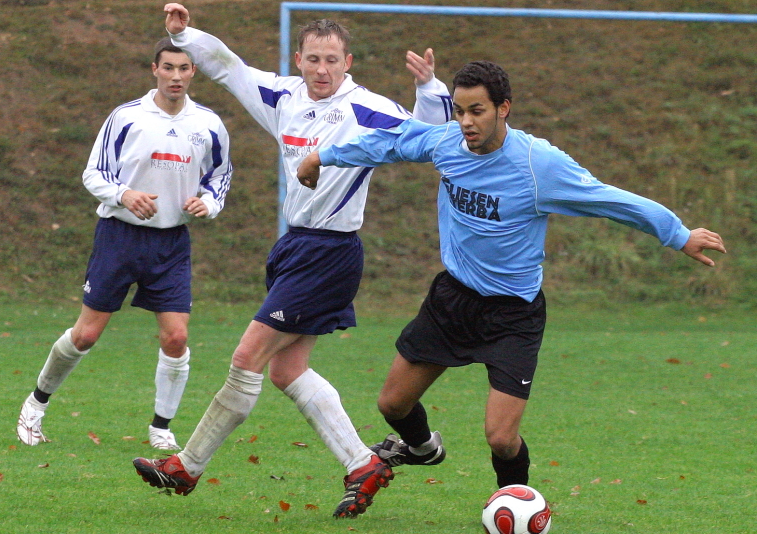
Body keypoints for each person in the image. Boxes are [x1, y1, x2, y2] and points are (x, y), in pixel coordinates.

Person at [297, 59, 726, 491]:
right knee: (392, 404)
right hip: (452, 300)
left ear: (504, 108)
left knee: (501, 439)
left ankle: (515, 501)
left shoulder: (539, 165)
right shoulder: (445, 142)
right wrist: (321, 156)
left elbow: (608, 199)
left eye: (477, 111)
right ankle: (423, 449)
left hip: (512, 314)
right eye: (460, 111)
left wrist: (678, 234)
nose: (466, 122)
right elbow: (389, 143)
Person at [132, 3, 452, 519]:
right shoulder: (283, 96)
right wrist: (185, 35)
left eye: (332, 60)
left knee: (246, 358)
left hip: (330, 253)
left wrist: (429, 90)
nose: (322, 70)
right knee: (287, 369)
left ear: (348, 62)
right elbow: (228, 67)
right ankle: (362, 464)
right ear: (298, 60)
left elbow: (430, 138)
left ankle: (186, 466)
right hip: (295, 248)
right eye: (313, 59)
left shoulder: (366, 108)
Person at [16, 38, 233, 451]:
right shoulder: (127, 117)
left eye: (183, 69)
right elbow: (93, 173)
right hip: (119, 237)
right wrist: (124, 195)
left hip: (171, 243)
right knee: (86, 335)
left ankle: (161, 428)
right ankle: (36, 403)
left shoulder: (208, 124)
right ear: (154, 69)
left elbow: (220, 176)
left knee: (176, 338)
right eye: (168, 68)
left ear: (193, 72)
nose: (175, 76)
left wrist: (208, 203)